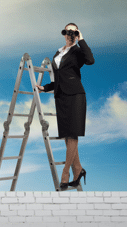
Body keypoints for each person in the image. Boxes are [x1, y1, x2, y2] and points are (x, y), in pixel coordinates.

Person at [36, 23, 95, 190]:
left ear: (76, 33)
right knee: (67, 135)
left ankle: (65, 173)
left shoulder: (78, 51)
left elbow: (91, 60)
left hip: (76, 95)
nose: (69, 33)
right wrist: (46, 88)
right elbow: (59, 78)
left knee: (73, 134)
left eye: (73, 31)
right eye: (67, 30)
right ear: (63, 33)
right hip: (61, 96)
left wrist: (81, 39)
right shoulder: (58, 52)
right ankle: (78, 169)